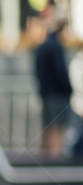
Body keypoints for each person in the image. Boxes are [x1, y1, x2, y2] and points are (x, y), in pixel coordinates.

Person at [35, 10, 73, 158]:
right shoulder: (55, 46)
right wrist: (68, 88)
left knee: (47, 128)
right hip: (57, 95)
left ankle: (45, 161)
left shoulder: (44, 45)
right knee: (55, 130)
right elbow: (60, 73)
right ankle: (53, 162)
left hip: (47, 94)